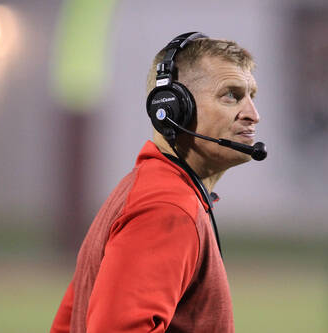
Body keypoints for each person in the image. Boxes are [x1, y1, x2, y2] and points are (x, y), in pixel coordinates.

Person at [50, 32, 261, 333]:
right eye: (231, 95)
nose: (253, 115)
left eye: (252, 96)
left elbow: (66, 326)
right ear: (173, 109)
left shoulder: (148, 189)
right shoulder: (166, 207)